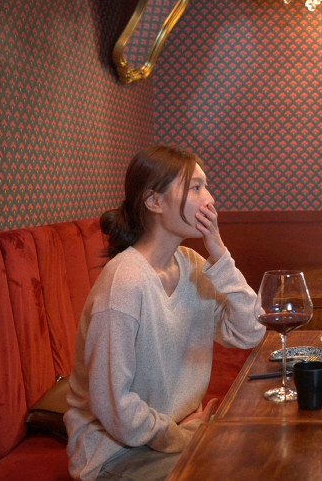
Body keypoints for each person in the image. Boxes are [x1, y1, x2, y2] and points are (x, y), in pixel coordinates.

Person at [65, 145, 265, 480]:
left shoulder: (192, 264)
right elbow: (114, 406)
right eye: (196, 187)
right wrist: (181, 437)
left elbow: (250, 332)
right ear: (154, 201)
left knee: (264, 450)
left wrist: (219, 253)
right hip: (115, 455)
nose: (210, 199)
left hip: (173, 434)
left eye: (206, 186)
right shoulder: (124, 282)